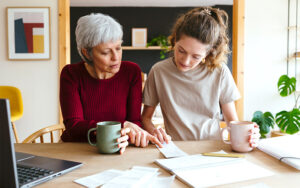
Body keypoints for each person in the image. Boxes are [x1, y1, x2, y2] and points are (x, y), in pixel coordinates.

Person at [142, 7, 260, 147]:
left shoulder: (220, 72)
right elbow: (146, 118)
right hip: (174, 149)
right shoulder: (158, 71)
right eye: (181, 50)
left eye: (196, 56)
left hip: (213, 148)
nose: (185, 61)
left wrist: (249, 135)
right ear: (174, 40)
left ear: (209, 53)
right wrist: (155, 132)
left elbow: (232, 122)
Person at [60, 13, 162, 154]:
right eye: (106, 52)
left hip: (118, 149)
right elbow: (73, 126)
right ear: (87, 53)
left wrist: (133, 134)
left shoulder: (131, 72)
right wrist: (122, 125)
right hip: (77, 149)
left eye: (119, 48)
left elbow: (134, 122)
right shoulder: (71, 74)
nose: (116, 57)